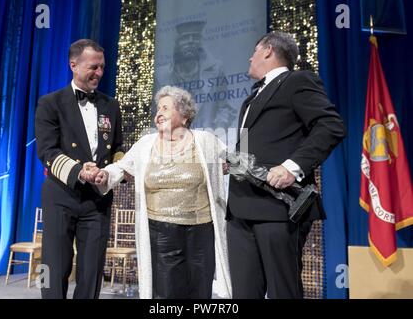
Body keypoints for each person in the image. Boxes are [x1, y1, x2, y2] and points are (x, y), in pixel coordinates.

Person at [226, 31, 346, 299]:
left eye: (254, 51)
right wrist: (234, 163)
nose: (250, 57)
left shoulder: (297, 81)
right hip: (240, 209)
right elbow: (247, 148)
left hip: (278, 208)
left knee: (283, 291)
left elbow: (331, 126)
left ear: (268, 51)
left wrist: (292, 167)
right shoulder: (250, 99)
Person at [92, 85, 232, 299]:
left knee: (199, 291)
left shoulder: (205, 141)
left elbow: (236, 159)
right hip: (161, 231)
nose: (159, 114)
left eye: (165, 108)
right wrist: (104, 175)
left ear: (184, 116)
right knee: (165, 292)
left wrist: (229, 166)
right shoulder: (146, 144)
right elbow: (120, 168)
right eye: (158, 109)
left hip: (201, 231)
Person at [35, 39, 124, 299]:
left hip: (98, 199)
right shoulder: (50, 103)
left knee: (91, 271)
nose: (99, 73)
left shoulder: (111, 105)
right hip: (61, 196)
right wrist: (79, 171)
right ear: (73, 65)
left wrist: (114, 171)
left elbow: (117, 148)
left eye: (102, 68)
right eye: (93, 67)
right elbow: (47, 151)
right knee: (53, 266)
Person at [155, 21, 235, 129]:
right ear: (177, 42)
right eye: (185, 38)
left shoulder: (215, 71)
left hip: (204, 136)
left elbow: (224, 108)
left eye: (195, 37)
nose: (191, 41)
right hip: (173, 138)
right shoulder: (162, 75)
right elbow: (155, 113)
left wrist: (217, 131)